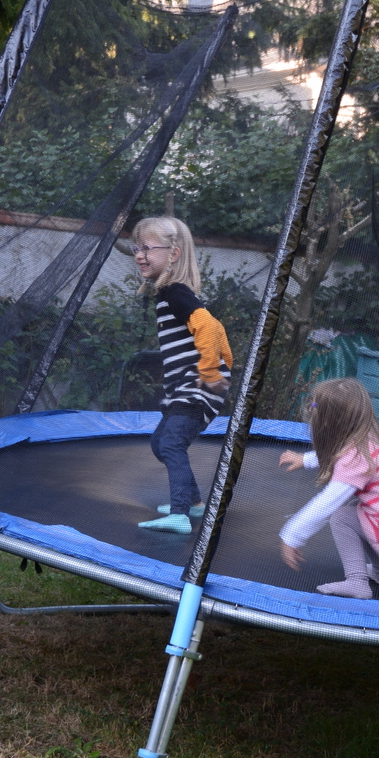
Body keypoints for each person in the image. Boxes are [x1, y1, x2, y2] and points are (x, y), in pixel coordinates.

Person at [278, 377, 379, 598]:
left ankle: (357, 582)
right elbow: (339, 454)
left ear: (324, 423)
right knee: (360, 507)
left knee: (342, 517)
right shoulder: (371, 441)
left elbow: (325, 503)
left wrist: (291, 536)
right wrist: (306, 459)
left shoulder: (355, 458)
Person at [130, 215, 232, 536]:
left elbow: (207, 326)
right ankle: (194, 502)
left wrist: (211, 370)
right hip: (187, 384)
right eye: (136, 248)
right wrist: (224, 360)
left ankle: (179, 514)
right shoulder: (168, 293)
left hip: (197, 384)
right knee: (160, 443)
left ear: (173, 254)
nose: (139, 255)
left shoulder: (175, 291)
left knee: (172, 443)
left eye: (147, 248)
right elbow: (216, 327)